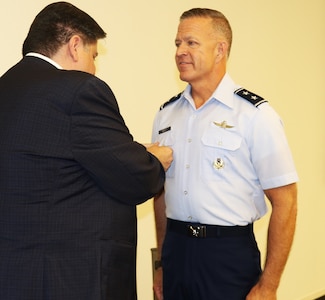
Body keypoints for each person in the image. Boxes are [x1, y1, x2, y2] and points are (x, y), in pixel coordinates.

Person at [0, 2, 173, 300]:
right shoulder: (80, 90)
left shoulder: (7, 87)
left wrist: (128, 151)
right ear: (75, 45)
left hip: (15, 275)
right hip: (70, 279)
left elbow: (68, 157)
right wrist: (155, 160)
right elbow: (135, 179)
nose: (94, 67)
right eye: (93, 56)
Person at [152, 8, 298, 300]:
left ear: (221, 50)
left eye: (191, 43)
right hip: (177, 251)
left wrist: (269, 286)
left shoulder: (255, 115)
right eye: (177, 43)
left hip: (227, 256)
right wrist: (161, 264)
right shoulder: (166, 115)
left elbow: (286, 201)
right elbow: (161, 194)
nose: (180, 51)